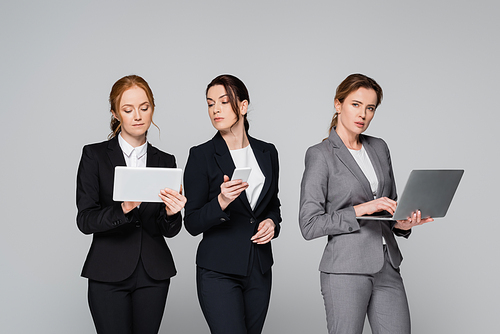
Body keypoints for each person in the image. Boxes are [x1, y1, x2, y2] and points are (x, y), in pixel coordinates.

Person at [299, 73, 433, 334]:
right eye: (355, 104)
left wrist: (403, 223)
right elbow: (309, 224)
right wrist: (361, 209)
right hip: (345, 270)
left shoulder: (379, 147)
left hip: (387, 264)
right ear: (338, 105)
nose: (363, 114)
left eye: (370, 108)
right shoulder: (320, 155)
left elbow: (390, 205)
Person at [76, 75, 186, 334]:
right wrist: (123, 209)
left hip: (154, 274)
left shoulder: (166, 161)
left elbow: (169, 229)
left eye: (144, 108)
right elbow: (85, 220)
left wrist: (172, 213)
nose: (137, 115)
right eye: (128, 109)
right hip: (107, 272)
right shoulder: (95, 156)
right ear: (115, 114)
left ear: (152, 109)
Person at [184, 74, 282, 334]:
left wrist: (272, 222)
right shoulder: (201, 155)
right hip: (218, 270)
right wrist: (221, 201)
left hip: (259, 268)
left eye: (224, 102)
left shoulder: (267, 152)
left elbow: (272, 204)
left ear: (243, 106)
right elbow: (191, 222)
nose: (215, 109)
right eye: (210, 103)